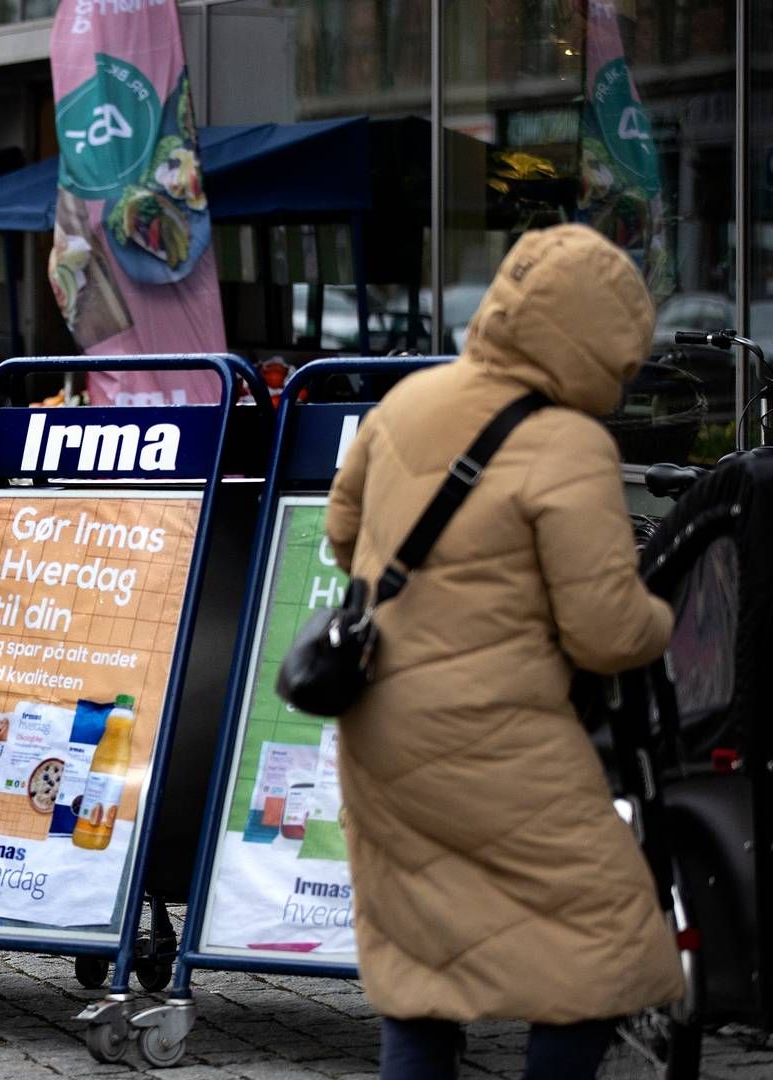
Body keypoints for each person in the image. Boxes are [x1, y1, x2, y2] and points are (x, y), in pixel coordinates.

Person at [325, 224, 681, 1079]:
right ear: (593, 339)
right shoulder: (569, 445)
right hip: (492, 734)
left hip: (377, 723)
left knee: (421, 966)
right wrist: (670, 617)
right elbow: (603, 631)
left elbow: (342, 535)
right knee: (611, 940)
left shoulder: (407, 401)